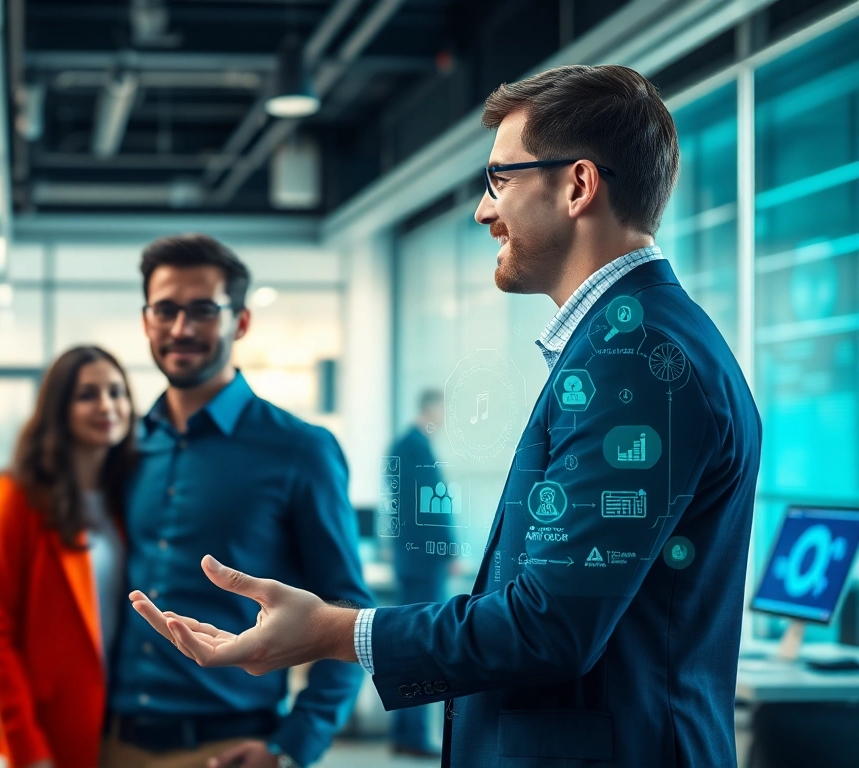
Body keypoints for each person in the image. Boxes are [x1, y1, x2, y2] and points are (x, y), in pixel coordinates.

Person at [130, 65, 761, 768]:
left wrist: (337, 632)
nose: (482, 211)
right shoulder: (630, 345)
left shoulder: (637, 358)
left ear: (579, 185)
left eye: (500, 180)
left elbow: (549, 628)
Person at [107, 234, 373, 768]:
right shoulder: (126, 448)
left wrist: (292, 745)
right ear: (146, 321)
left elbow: (348, 612)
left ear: (240, 322)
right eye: (166, 310)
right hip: (111, 744)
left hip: (228, 749)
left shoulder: (300, 449)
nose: (181, 329)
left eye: (203, 310)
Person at [0, 346, 138, 768]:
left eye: (116, 392)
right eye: (87, 394)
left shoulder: (130, 494)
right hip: (47, 725)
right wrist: (27, 747)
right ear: (59, 408)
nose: (107, 406)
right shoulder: (18, 495)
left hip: (126, 724)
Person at [386, 389, 450, 759]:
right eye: (443, 410)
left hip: (413, 561)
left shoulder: (405, 445)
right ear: (430, 408)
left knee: (413, 644)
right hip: (423, 562)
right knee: (421, 645)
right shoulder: (414, 447)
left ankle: (407, 733)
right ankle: (411, 734)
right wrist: (447, 545)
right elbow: (427, 506)